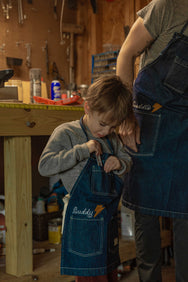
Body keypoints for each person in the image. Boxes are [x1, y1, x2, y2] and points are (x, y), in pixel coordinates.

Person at [116, 0, 188, 281]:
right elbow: (125, 55)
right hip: (149, 121)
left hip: (184, 128)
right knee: (145, 209)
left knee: (186, 211)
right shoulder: (167, 6)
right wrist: (124, 116)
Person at [38, 75, 133, 282]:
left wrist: (120, 163)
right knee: (90, 275)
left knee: (109, 271)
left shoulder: (111, 138)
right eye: (103, 124)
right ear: (87, 107)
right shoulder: (67, 133)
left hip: (106, 217)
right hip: (81, 218)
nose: (106, 131)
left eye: (112, 127)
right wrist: (82, 151)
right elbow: (45, 166)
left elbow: (127, 160)